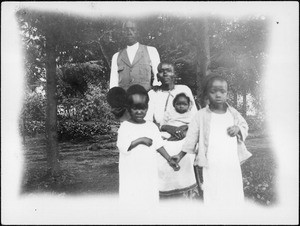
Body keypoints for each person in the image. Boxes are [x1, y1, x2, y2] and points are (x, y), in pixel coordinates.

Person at [172, 75, 252, 206]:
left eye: (222, 91)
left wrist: (238, 128)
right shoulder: (200, 115)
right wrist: (180, 155)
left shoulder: (233, 113)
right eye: (213, 91)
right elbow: (191, 138)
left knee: (233, 189)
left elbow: (244, 126)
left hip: (230, 161)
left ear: (227, 93)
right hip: (212, 162)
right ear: (206, 94)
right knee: (214, 190)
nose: (218, 95)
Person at [117, 84, 180, 205]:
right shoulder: (125, 126)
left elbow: (158, 145)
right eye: (135, 108)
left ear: (147, 107)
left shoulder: (151, 126)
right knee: (132, 196)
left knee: (148, 194)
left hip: (147, 169)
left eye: (143, 108)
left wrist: (169, 159)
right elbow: (122, 146)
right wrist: (140, 140)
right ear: (128, 108)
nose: (139, 111)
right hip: (131, 170)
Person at [145, 62, 199, 199]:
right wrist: (168, 128)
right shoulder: (153, 94)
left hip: (186, 133)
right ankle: (165, 195)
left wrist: (185, 129)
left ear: (174, 74)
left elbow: (195, 117)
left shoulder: (184, 89)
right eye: (161, 71)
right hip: (162, 135)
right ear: (157, 75)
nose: (165, 74)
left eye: (168, 71)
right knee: (162, 153)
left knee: (186, 151)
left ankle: (187, 195)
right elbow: (149, 122)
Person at [109, 20, 161, 92]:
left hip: (144, 100)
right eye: (126, 30)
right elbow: (113, 84)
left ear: (138, 32)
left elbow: (158, 78)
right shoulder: (116, 56)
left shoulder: (151, 51)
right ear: (122, 33)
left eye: (133, 29)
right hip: (124, 100)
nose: (129, 32)